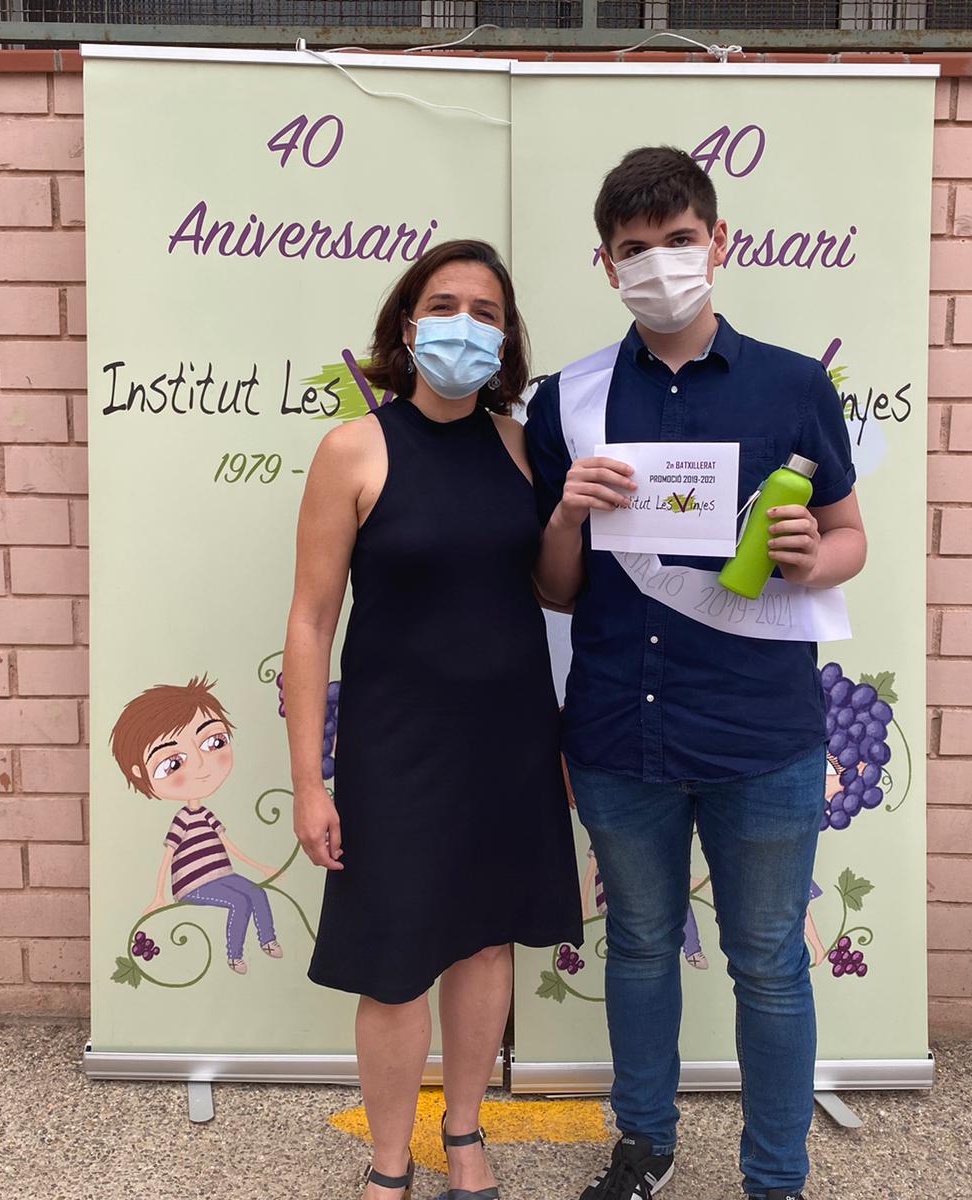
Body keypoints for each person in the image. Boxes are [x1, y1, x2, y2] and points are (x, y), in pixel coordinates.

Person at [526, 147, 868, 1200]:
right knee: (636, 945)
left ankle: (776, 1178)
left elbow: (851, 537)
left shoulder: (794, 385)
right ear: (606, 264)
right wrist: (566, 515)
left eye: (679, 240)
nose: (660, 264)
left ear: (718, 242)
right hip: (618, 728)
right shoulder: (568, 400)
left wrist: (815, 554)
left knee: (768, 959)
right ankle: (646, 1146)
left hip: (760, 732)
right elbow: (555, 590)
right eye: (635, 249)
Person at [285, 239, 583, 1200]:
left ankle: (464, 1137)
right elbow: (310, 622)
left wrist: (568, 518)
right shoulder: (353, 449)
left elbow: (555, 590)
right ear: (408, 328)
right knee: (395, 963)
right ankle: (388, 1161)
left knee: (486, 942)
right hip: (396, 747)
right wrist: (308, 780)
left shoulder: (522, 448)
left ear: (506, 338)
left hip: (510, 740)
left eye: (486, 312)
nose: (465, 324)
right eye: (445, 305)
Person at [111, 676, 282, 976]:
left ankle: (267, 940)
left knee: (257, 892)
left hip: (222, 875)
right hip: (194, 885)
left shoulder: (206, 814)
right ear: (140, 772)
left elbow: (228, 846)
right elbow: (168, 856)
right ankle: (235, 956)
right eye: (172, 764)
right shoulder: (182, 819)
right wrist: (159, 895)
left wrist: (261, 868)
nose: (201, 766)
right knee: (239, 902)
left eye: (215, 742)